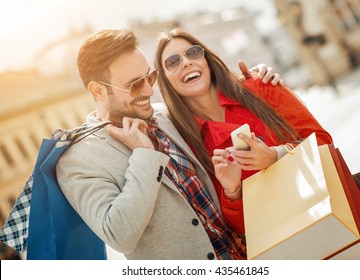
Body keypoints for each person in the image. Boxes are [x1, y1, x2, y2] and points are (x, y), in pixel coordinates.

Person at [55, 29, 281, 260]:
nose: (149, 90)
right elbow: (118, 235)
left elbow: (214, 101)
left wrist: (256, 82)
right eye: (134, 85)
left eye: (149, 77)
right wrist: (144, 155)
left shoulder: (165, 115)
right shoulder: (77, 159)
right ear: (98, 90)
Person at [154, 28, 333, 235]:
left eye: (193, 52)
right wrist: (232, 190)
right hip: (278, 241)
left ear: (207, 60)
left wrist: (276, 155)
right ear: (165, 80)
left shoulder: (260, 86)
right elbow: (239, 230)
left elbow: (324, 143)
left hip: (325, 211)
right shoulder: (188, 144)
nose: (186, 62)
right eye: (173, 62)